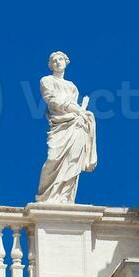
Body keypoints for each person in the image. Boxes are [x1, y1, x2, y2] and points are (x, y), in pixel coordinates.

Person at [34, 51, 97, 203]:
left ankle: (65, 197)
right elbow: (53, 100)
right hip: (60, 125)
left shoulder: (72, 87)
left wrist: (82, 113)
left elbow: (73, 105)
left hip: (76, 125)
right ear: (50, 65)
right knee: (53, 158)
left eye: (60, 59)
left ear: (66, 62)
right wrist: (77, 110)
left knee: (73, 160)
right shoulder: (46, 81)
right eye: (54, 60)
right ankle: (47, 196)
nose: (57, 62)